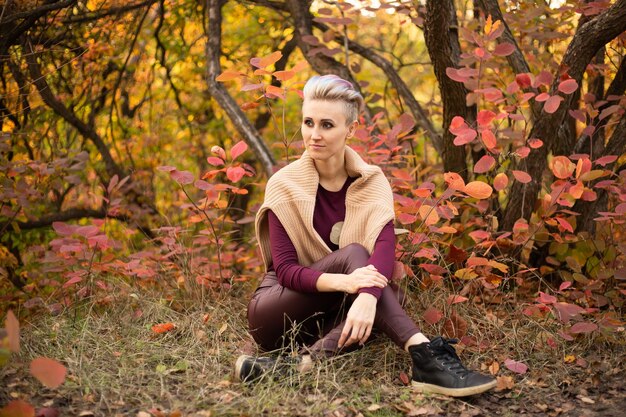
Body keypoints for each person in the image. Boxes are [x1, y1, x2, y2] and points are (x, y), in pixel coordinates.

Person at [234, 74, 496, 397]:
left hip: (326, 319)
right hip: (276, 312)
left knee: (389, 297)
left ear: (351, 129)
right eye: (308, 122)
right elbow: (286, 271)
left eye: (327, 125)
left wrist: (368, 296)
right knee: (358, 256)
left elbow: (385, 251)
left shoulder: (372, 182)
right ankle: (424, 353)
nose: (313, 135)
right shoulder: (283, 184)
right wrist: (347, 283)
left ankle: (300, 366)